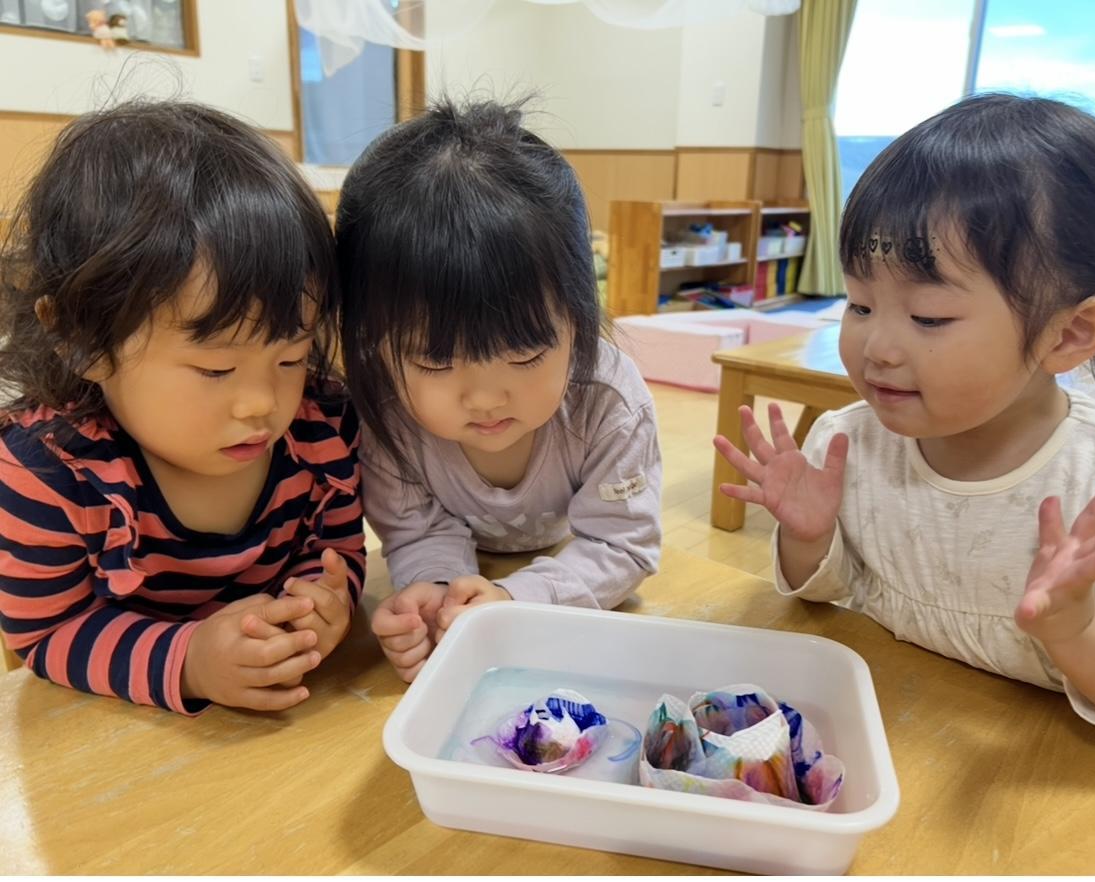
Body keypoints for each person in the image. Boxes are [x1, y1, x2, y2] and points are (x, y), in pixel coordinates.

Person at [715, 93, 1095, 735]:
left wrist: (1078, 630)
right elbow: (831, 594)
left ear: (1069, 334)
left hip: (1040, 769)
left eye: (928, 317)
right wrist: (809, 539)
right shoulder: (850, 444)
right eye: (860, 304)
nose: (877, 347)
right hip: (895, 728)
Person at [0, 101, 366, 714]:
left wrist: (321, 606)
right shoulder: (50, 471)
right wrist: (190, 661)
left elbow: (337, 554)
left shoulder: (321, 427)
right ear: (83, 340)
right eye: (216, 369)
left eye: (291, 357)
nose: (263, 403)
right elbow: (46, 632)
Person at [336, 98, 662, 683]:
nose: (486, 399)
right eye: (435, 361)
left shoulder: (607, 401)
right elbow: (420, 530)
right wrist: (436, 595)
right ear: (374, 344)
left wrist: (519, 600)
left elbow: (621, 545)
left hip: (562, 557)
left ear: (579, 319)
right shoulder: (389, 410)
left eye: (526, 355)